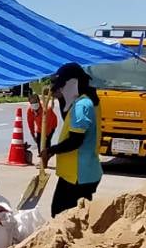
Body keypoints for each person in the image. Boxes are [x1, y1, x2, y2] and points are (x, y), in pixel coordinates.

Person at [40, 62, 102, 217]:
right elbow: (67, 115)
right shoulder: (85, 101)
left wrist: (51, 150)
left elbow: (75, 141)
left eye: (61, 86)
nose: (59, 90)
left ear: (72, 84)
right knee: (72, 216)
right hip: (80, 173)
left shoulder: (82, 106)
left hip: (78, 175)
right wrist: (61, 98)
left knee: (62, 215)